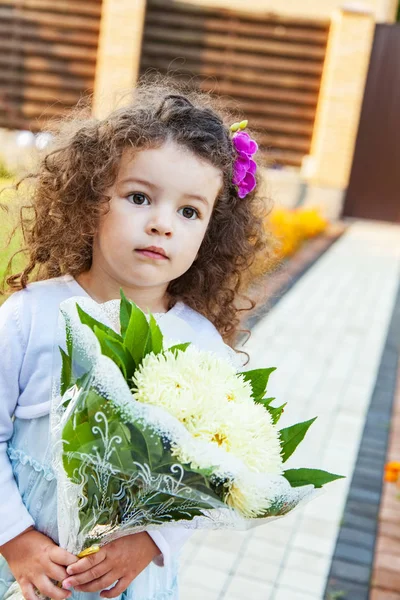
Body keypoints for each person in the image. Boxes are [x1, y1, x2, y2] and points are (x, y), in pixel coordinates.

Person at [0, 79, 273, 600]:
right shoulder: (30, 317)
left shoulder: (202, 347)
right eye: (140, 197)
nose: (161, 224)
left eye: (189, 211)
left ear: (211, 231)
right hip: (25, 574)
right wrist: (15, 540)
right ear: (91, 201)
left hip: (128, 586)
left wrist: (152, 538)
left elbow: (212, 473)